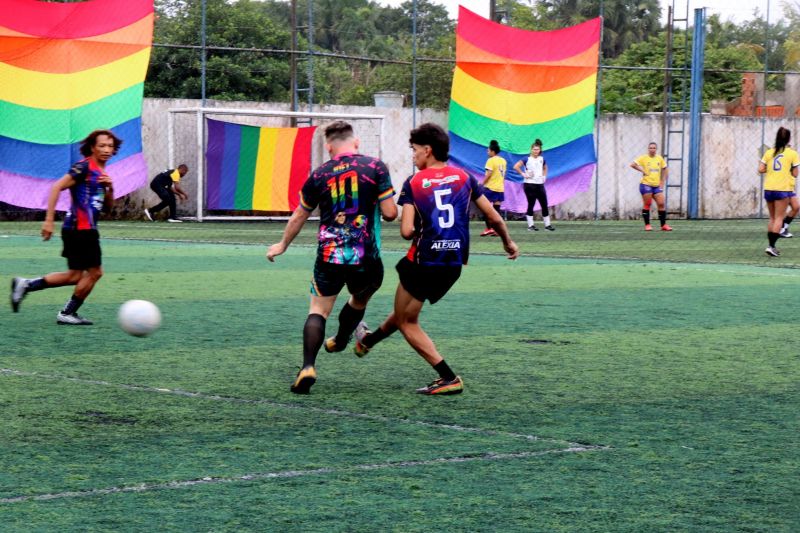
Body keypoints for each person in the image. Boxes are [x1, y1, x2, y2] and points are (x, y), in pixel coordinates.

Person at [352, 123, 519, 395]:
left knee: (407, 320)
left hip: (424, 259)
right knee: (405, 311)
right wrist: (508, 243)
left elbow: (406, 232)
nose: (413, 156)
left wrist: (416, 222)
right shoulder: (464, 177)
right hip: (453, 262)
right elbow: (494, 217)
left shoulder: (414, 182)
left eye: (415, 150)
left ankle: (448, 377)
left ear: (427, 151)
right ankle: (367, 341)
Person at [266, 121, 397, 394]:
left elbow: (300, 214)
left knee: (318, 310)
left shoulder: (319, 174)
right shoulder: (375, 167)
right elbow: (390, 213)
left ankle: (307, 367)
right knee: (358, 300)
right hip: (366, 256)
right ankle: (340, 338)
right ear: (356, 142)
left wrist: (282, 244)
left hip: (329, 254)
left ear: (329, 147)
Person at [10, 130, 121, 325]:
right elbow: (56, 187)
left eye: (110, 146)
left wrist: (110, 188)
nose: (106, 149)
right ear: (92, 148)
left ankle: (26, 285)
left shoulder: (102, 174)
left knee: (74, 276)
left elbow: (108, 209)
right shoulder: (83, 167)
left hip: (81, 230)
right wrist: (49, 220)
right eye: (102, 146)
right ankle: (67, 313)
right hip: (80, 229)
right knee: (95, 273)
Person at [759, 126, 799, 257]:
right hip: (782, 189)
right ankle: (771, 246)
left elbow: (761, 169)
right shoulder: (792, 153)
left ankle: (773, 243)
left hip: (769, 188)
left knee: (772, 217)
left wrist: (771, 170)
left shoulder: (769, 152)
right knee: (779, 218)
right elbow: (795, 173)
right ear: (788, 139)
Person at [513, 138, 554, 231]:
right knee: (531, 203)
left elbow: (545, 168)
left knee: (544, 203)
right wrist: (523, 174)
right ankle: (530, 225)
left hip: (539, 184)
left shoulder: (542, 159)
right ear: (531, 150)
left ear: (540, 150)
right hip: (529, 185)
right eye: (534, 149)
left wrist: (544, 176)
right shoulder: (526, 159)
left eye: (537, 149)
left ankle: (547, 225)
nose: (536, 151)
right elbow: (516, 166)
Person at [630, 142, 672, 231]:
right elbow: (633, 164)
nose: (652, 149)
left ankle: (663, 225)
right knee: (647, 204)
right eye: (650, 148)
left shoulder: (659, 158)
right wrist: (642, 170)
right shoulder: (644, 158)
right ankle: (647, 225)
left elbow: (665, 168)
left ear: (656, 149)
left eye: (654, 148)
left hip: (656, 186)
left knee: (661, 203)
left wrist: (662, 181)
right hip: (646, 184)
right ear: (648, 149)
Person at [480, 139, 507, 236]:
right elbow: (503, 175)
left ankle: (489, 228)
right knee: (496, 211)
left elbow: (489, 174)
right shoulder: (503, 161)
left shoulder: (490, 160)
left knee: (484, 208)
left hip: (490, 188)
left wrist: (482, 183)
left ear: (492, 151)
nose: (487, 152)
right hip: (500, 188)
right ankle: (497, 230)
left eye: (488, 150)